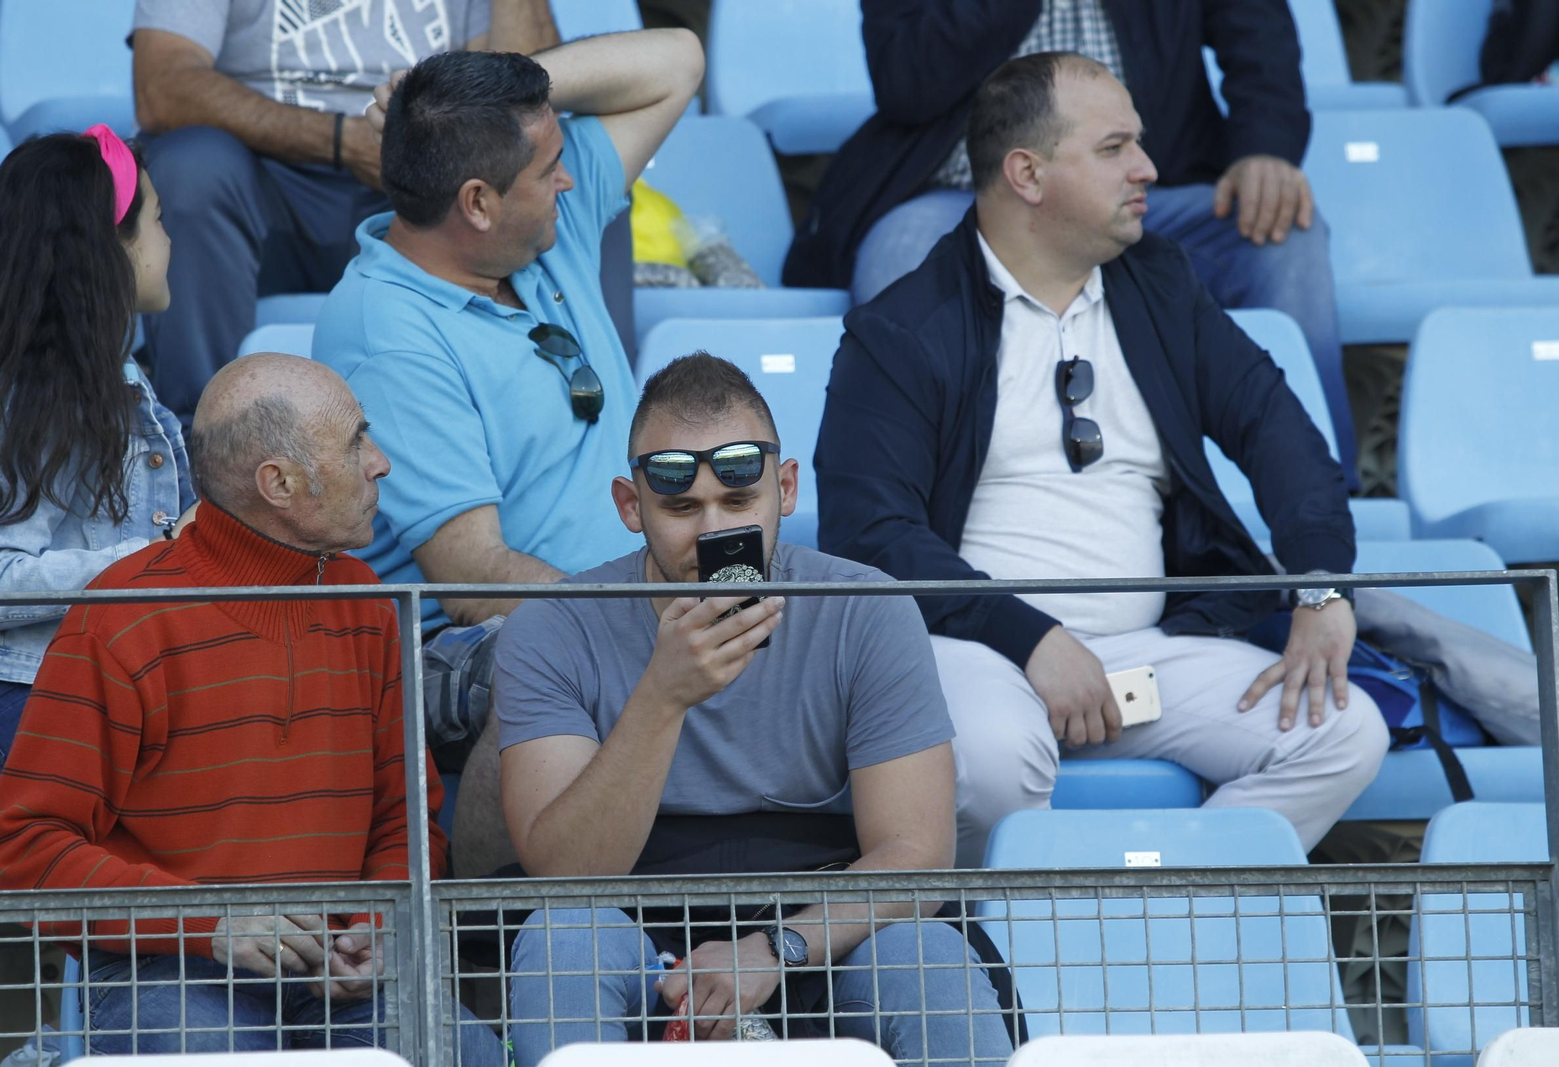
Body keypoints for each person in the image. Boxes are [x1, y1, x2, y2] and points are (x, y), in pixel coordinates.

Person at [814, 53, 1390, 868]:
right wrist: (1033, 638)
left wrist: (1322, 583)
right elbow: (872, 535)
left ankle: (1156, 935)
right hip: (977, 653)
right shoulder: (902, 329)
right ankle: (1007, 967)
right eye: (1116, 147)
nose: (1148, 169)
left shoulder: (1158, 284)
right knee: (994, 760)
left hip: (1145, 653)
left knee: (1342, 732)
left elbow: (1276, 426)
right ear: (1028, 173)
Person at [489, 353, 1016, 1065]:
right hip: (630, 909)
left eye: (738, 504)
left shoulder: (864, 605)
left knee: (926, 955)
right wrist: (664, 693)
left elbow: (916, 854)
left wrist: (773, 948)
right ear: (628, 505)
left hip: (814, 915)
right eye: (680, 507)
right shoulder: (552, 625)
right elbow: (565, 872)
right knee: (564, 941)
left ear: (786, 488)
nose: (712, 532)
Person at [0, 353, 494, 1059]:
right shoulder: (122, 619)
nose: (381, 463)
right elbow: (19, 850)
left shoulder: (368, 603)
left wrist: (376, 924)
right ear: (277, 483)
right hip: (168, 969)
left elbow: (405, 818)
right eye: (356, 442)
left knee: (468, 1054)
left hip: (335, 978)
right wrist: (209, 921)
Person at [314, 35, 701, 799]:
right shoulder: (384, 327)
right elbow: (473, 578)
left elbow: (677, 60)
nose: (568, 177)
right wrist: (651, 619)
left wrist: (465, 99)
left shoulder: (538, 228)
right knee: (570, 658)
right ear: (478, 203)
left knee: (850, 625)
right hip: (491, 646)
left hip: (644, 597)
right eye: (544, 168)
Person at [787, 0, 1358, 489]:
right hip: (970, 197)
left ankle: (1322, 496)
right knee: (898, 254)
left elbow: (1260, 39)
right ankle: (912, 502)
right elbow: (906, 80)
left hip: (1145, 194)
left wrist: (1265, 149)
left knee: (1287, 240)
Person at [130, 0, 561, 424]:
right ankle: (201, 445)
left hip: (424, 178)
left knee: (539, 171)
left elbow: (531, 106)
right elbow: (162, 86)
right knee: (192, 171)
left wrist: (413, 146)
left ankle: (537, 425)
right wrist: (341, 141)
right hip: (259, 177)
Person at [0, 127, 195, 784]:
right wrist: (160, 559)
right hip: (39, 705)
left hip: (112, 691)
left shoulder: (112, 379)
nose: (169, 241)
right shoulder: (31, 399)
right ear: (107, 249)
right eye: (157, 222)